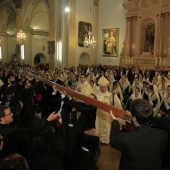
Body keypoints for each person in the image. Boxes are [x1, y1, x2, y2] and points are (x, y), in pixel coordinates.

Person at [110, 99, 168, 170]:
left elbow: (113, 141)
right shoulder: (162, 135)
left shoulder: (126, 138)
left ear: (134, 118)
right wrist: (133, 119)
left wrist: (115, 121)